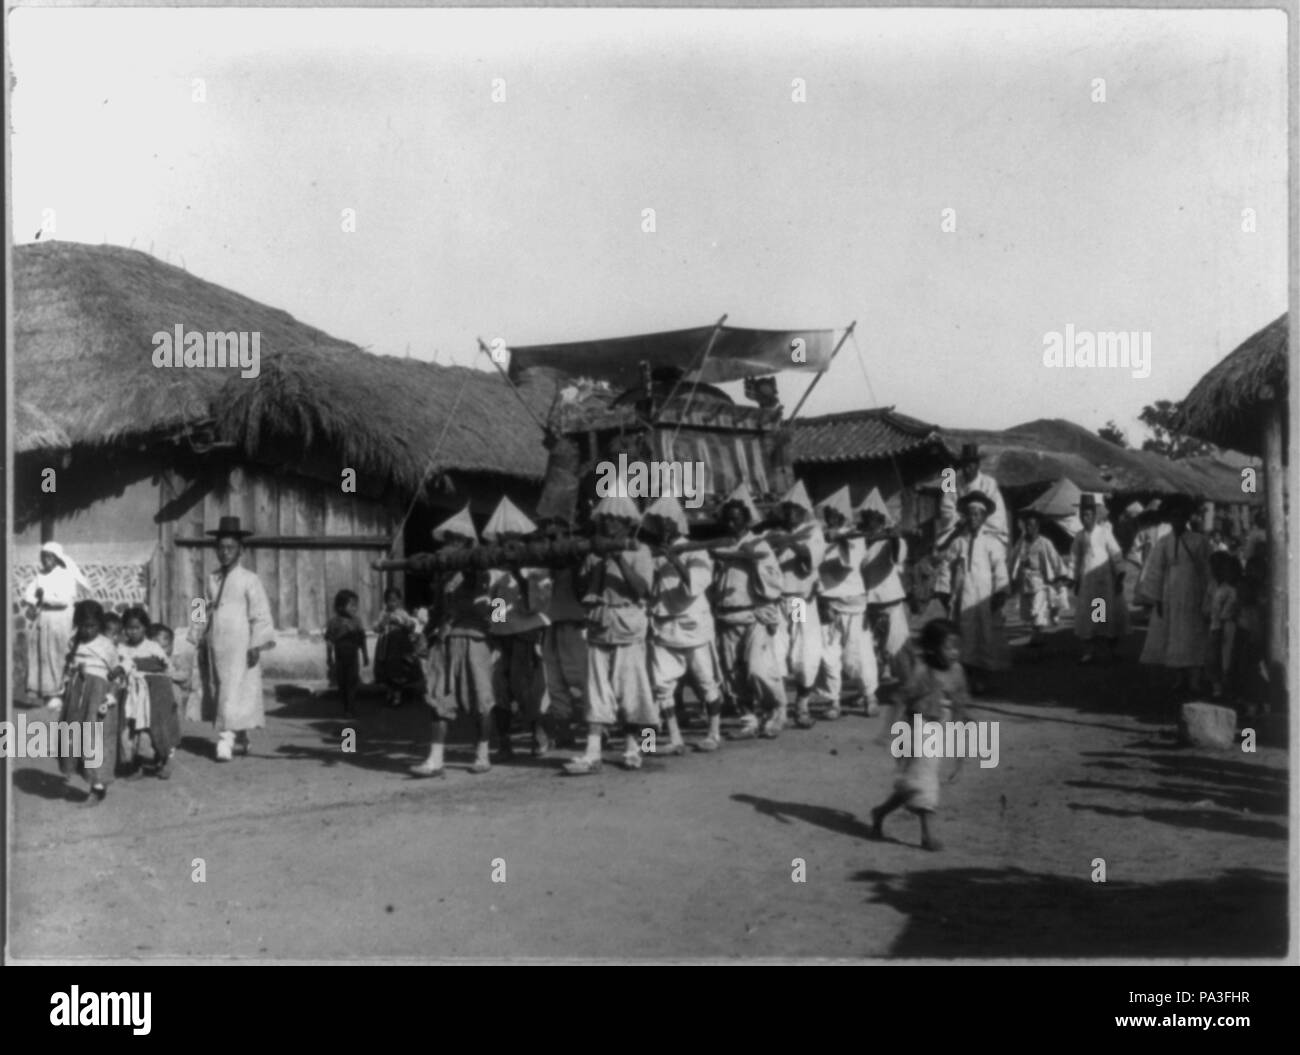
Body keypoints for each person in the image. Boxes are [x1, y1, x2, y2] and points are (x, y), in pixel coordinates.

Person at [564, 495, 658, 774]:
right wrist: (587, 565)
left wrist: (619, 560)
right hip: (596, 623)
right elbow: (582, 593)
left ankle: (636, 747)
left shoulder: (640, 551)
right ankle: (592, 752)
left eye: (615, 521)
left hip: (629, 623)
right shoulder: (593, 553)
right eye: (605, 520)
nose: (609, 526)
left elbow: (643, 590)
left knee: (633, 689)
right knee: (594, 691)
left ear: (628, 524)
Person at [868, 618, 970, 852]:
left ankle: (881, 812)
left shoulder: (957, 672)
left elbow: (960, 706)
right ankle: (927, 835)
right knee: (924, 781)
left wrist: (960, 748)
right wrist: (888, 731)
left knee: (913, 783)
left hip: (939, 728)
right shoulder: (922, 672)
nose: (954, 653)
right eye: (948, 647)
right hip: (917, 727)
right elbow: (900, 698)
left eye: (957, 647)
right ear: (933, 648)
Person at [412, 505, 496, 778]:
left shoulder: (479, 570)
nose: (449, 544)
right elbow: (437, 610)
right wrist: (425, 636)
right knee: (438, 698)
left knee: (482, 699)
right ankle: (435, 759)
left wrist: (499, 634)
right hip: (446, 639)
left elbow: (494, 605)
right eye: (447, 539)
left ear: (465, 542)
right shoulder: (442, 574)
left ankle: (482, 754)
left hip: (475, 638)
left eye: (454, 539)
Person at [190, 516, 276, 762]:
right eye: (221, 548)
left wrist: (256, 644)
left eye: (230, 548)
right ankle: (242, 737)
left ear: (241, 550)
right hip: (216, 642)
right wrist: (196, 632)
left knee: (234, 690)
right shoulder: (212, 578)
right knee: (225, 691)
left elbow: (260, 612)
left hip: (240, 644)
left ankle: (225, 740)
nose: (225, 553)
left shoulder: (250, 579)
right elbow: (200, 605)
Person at [708, 486, 786, 740]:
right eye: (728, 518)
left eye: (737, 518)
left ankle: (776, 708)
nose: (732, 523)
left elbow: (774, 582)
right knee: (732, 671)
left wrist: (751, 560)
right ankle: (749, 718)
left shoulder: (758, 544)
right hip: (727, 616)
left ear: (746, 520)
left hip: (757, 614)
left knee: (758, 669)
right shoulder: (721, 546)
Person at [645, 494, 722, 753]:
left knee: (706, 680)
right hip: (665, 625)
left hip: (796, 605)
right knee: (660, 684)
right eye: (658, 523)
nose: (663, 528)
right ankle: (673, 737)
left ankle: (715, 732)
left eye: (667, 522)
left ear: (678, 523)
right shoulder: (653, 553)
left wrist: (675, 559)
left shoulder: (695, 549)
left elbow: (695, 586)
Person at [482, 497, 551, 759]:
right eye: (504, 540)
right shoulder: (496, 574)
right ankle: (505, 741)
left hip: (528, 633)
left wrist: (521, 579)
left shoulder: (536, 567)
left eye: (514, 539)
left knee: (525, 687)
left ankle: (538, 734)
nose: (509, 545)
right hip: (504, 637)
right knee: (499, 688)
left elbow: (536, 606)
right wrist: (498, 632)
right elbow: (497, 608)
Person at [1136, 494, 1211, 702]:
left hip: (1193, 592)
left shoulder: (1198, 541)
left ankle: (1194, 680)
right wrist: (1157, 598)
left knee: (1193, 634)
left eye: (1180, 516)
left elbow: (1206, 570)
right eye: (1173, 516)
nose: (1177, 520)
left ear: (1186, 518)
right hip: (1171, 593)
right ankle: (1179, 678)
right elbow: (1156, 570)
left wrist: (1207, 596)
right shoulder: (1164, 542)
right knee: (1174, 634)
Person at [933, 491, 1009, 694]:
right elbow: (945, 566)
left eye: (978, 514)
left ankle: (982, 679)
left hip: (984, 599)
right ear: (966, 516)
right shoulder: (959, 543)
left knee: (985, 637)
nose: (974, 518)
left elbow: (1000, 570)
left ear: (984, 518)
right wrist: (944, 591)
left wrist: (999, 594)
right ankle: (966, 680)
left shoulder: (992, 543)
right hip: (963, 599)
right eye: (971, 514)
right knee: (964, 638)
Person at [815, 486, 879, 719]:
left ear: (842, 515)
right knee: (828, 654)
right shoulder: (821, 537)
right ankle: (833, 701)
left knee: (860, 654)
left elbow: (846, 566)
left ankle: (870, 696)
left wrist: (839, 539)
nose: (830, 517)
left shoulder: (856, 538)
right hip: (828, 603)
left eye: (834, 513)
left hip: (854, 604)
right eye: (827, 513)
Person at [766, 481, 826, 730]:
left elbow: (808, 557)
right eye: (787, 509)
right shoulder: (773, 533)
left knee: (804, 652)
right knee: (775, 653)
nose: (790, 514)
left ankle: (802, 704)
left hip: (799, 600)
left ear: (803, 511)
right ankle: (778, 707)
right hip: (778, 600)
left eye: (795, 509)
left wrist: (790, 541)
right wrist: (781, 540)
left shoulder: (812, 531)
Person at [59, 600, 123, 804]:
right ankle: (75, 771)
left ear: (100, 625)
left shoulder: (106, 646)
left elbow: (117, 675)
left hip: (98, 697)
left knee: (95, 739)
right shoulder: (74, 642)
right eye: (83, 626)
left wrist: (111, 696)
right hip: (77, 695)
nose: (87, 630)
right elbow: (69, 665)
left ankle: (97, 786)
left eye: (92, 626)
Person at [537, 516, 586, 751]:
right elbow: (502, 605)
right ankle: (560, 731)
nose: (551, 542)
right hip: (543, 628)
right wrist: (499, 625)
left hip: (569, 625)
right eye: (548, 538)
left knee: (582, 680)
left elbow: (526, 608)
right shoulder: (534, 569)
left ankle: (599, 730)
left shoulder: (576, 564)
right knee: (552, 685)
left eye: (555, 537)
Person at [22, 541, 87, 711]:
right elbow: (30, 593)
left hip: (59, 621)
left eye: (49, 557)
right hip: (43, 621)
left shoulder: (65, 575)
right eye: (43, 557)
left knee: (57, 654)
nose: (45, 560)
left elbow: (64, 600)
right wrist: (33, 600)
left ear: (57, 558)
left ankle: (59, 693)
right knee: (42, 655)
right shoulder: (41, 575)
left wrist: (44, 598)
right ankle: (47, 693)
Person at [118, 606, 179, 780]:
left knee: (155, 728)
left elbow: (166, 667)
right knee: (132, 729)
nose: (133, 632)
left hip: (153, 694)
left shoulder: (152, 647)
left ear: (145, 628)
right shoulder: (122, 648)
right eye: (129, 628)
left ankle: (165, 758)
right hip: (131, 695)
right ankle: (137, 765)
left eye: (137, 628)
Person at [859, 488, 912, 687]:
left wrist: (893, 537)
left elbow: (897, 556)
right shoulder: (860, 543)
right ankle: (869, 689)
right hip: (867, 603)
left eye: (873, 520)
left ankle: (910, 687)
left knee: (897, 646)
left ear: (881, 522)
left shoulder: (891, 543)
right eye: (866, 519)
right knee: (869, 649)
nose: (869, 524)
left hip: (890, 602)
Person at [1069, 494, 1125, 664]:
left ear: (1094, 515)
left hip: (1104, 580)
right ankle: (1090, 651)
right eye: (1081, 515)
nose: (1084, 518)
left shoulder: (1104, 533)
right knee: (1089, 616)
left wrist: (1119, 575)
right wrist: (1074, 580)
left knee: (1103, 615)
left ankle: (1109, 650)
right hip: (1087, 581)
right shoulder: (1079, 536)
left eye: (1087, 514)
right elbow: (1074, 558)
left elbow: (1116, 553)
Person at [1009, 511, 1066, 646]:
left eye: (1033, 525)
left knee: (1038, 612)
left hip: (1039, 583)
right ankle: (1036, 636)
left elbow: (1055, 560)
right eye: (1028, 525)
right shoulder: (1021, 543)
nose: (1030, 528)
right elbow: (1013, 560)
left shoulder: (1044, 543)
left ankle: (1038, 639)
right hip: (1025, 583)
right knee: (1029, 613)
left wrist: (1059, 577)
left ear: (1037, 527)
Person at [937, 444, 1008, 547]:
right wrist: (960, 520)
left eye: (970, 466)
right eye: (964, 465)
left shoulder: (989, 483)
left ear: (977, 465)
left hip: (985, 530)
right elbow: (946, 508)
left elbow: (997, 516)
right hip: (959, 529)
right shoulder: (952, 482)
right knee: (942, 546)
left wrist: (976, 523)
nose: (967, 470)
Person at [373, 588, 423, 708]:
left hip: (399, 647)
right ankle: (390, 693)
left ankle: (397, 696)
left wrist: (400, 622)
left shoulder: (402, 613)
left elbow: (411, 626)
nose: (392, 603)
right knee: (387, 670)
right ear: (385, 601)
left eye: (394, 600)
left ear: (399, 601)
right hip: (385, 646)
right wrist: (383, 623)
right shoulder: (383, 613)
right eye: (389, 600)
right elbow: (376, 628)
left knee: (398, 670)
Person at [1203, 551, 1241, 702]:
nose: (1216, 569)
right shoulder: (1213, 584)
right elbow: (1207, 604)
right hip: (1214, 626)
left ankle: (1228, 690)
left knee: (1227, 659)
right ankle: (1216, 689)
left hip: (1228, 627)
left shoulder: (1233, 588)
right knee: (1212, 658)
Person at [325, 589, 368, 718]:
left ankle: (350, 707)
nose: (355, 608)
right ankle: (345, 706)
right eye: (351, 605)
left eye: (356, 605)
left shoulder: (357, 622)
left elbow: (362, 639)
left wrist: (365, 655)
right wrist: (329, 657)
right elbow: (329, 641)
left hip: (353, 657)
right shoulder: (334, 622)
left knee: (352, 682)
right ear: (340, 607)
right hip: (340, 658)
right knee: (342, 683)